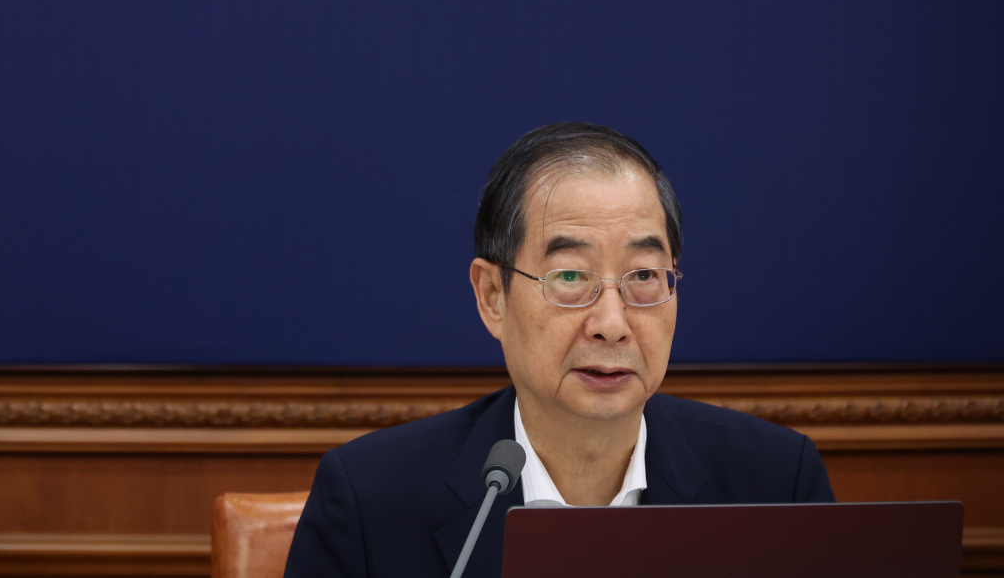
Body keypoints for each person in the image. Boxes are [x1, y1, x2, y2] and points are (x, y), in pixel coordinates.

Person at [284, 122, 834, 578]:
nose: (613, 324)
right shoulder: (370, 503)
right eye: (570, 275)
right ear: (492, 296)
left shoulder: (775, 485)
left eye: (643, 275)